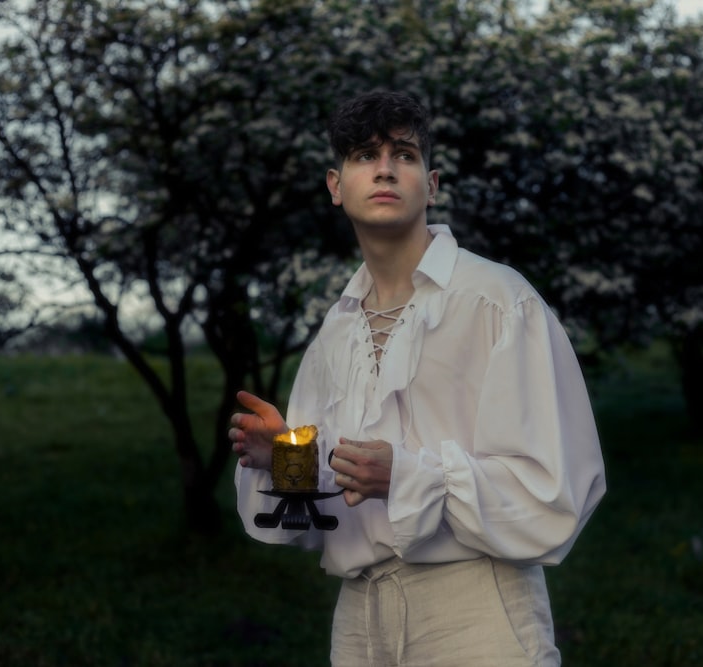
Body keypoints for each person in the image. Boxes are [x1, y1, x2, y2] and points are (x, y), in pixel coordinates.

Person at [229, 90, 606, 666]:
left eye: (404, 154)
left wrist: (406, 477)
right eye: (363, 156)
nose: (384, 168)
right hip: (358, 620)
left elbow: (555, 496)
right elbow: (314, 525)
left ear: (431, 185)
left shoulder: (499, 302)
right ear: (336, 185)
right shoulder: (334, 334)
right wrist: (284, 455)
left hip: (476, 610)